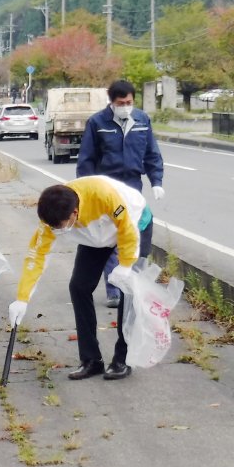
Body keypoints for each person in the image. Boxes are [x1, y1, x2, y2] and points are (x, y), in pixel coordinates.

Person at [8, 175, 154, 382]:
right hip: (95, 237)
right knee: (79, 287)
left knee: (128, 292)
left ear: (74, 213)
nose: (56, 231)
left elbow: (127, 229)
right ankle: (91, 360)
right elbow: (36, 257)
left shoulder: (103, 195)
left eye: (61, 227)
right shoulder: (51, 218)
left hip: (134, 224)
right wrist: (22, 298)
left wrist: (126, 264)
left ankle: (123, 359)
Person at [77, 79, 164, 308]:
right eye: (121, 102)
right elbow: (86, 160)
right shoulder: (97, 122)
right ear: (112, 102)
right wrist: (86, 192)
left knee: (133, 234)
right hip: (107, 189)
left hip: (133, 187)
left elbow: (152, 154)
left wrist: (156, 181)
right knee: (111, 239)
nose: (126, 106)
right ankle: (114, 289)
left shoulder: (142, 120)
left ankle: (132, 285)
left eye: (129, 102)